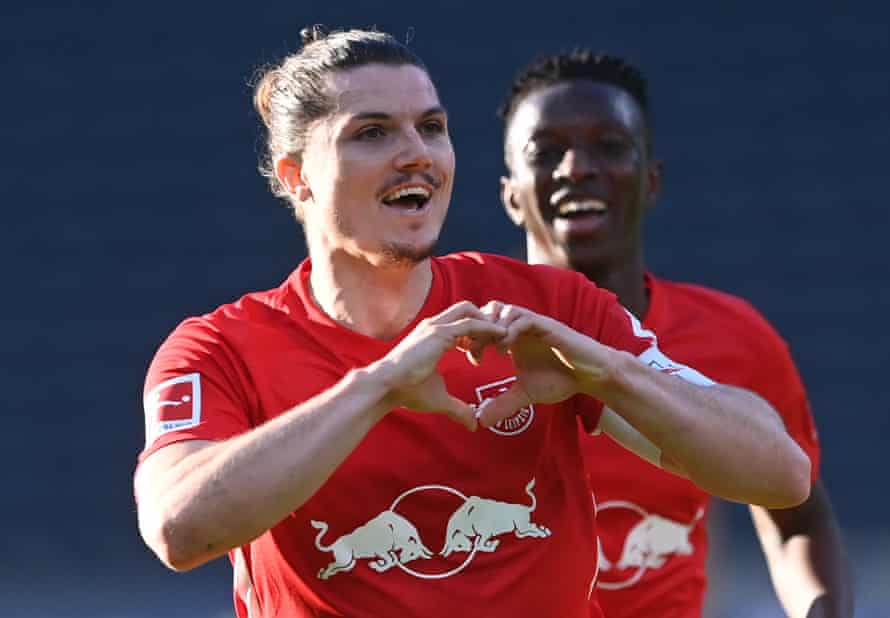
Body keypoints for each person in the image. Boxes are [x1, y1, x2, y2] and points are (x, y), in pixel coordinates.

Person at [134, 28, 810, 618]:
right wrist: (380, 387)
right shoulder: (220, 348)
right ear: (296, 176)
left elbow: (780, 474)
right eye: (373, 133)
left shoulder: (544, 307)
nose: (417, 154)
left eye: (431, 127)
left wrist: (607, 372)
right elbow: (179, 529)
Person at [497, 50, 853, 618]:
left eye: (608, 146)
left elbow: (799, 516)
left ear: (652, 180)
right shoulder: (467, 340)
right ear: (512, 195)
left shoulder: (733, 337)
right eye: (546, 152)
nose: (575, 168)